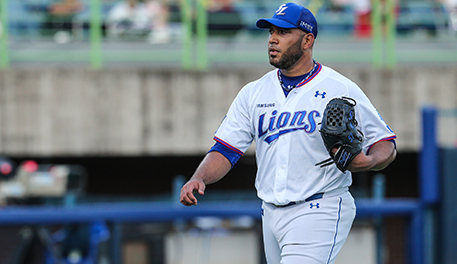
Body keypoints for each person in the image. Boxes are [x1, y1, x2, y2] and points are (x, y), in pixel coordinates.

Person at [180, 3, 397, 264]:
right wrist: (199, 177)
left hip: (320, 206)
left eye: (283, 32)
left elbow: (385, 142)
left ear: (307, 40)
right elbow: (226, 149)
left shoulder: (339, 88)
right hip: (270, 212)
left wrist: (370, 161)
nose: (272, 39)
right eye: (271, 31)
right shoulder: (254, 92)